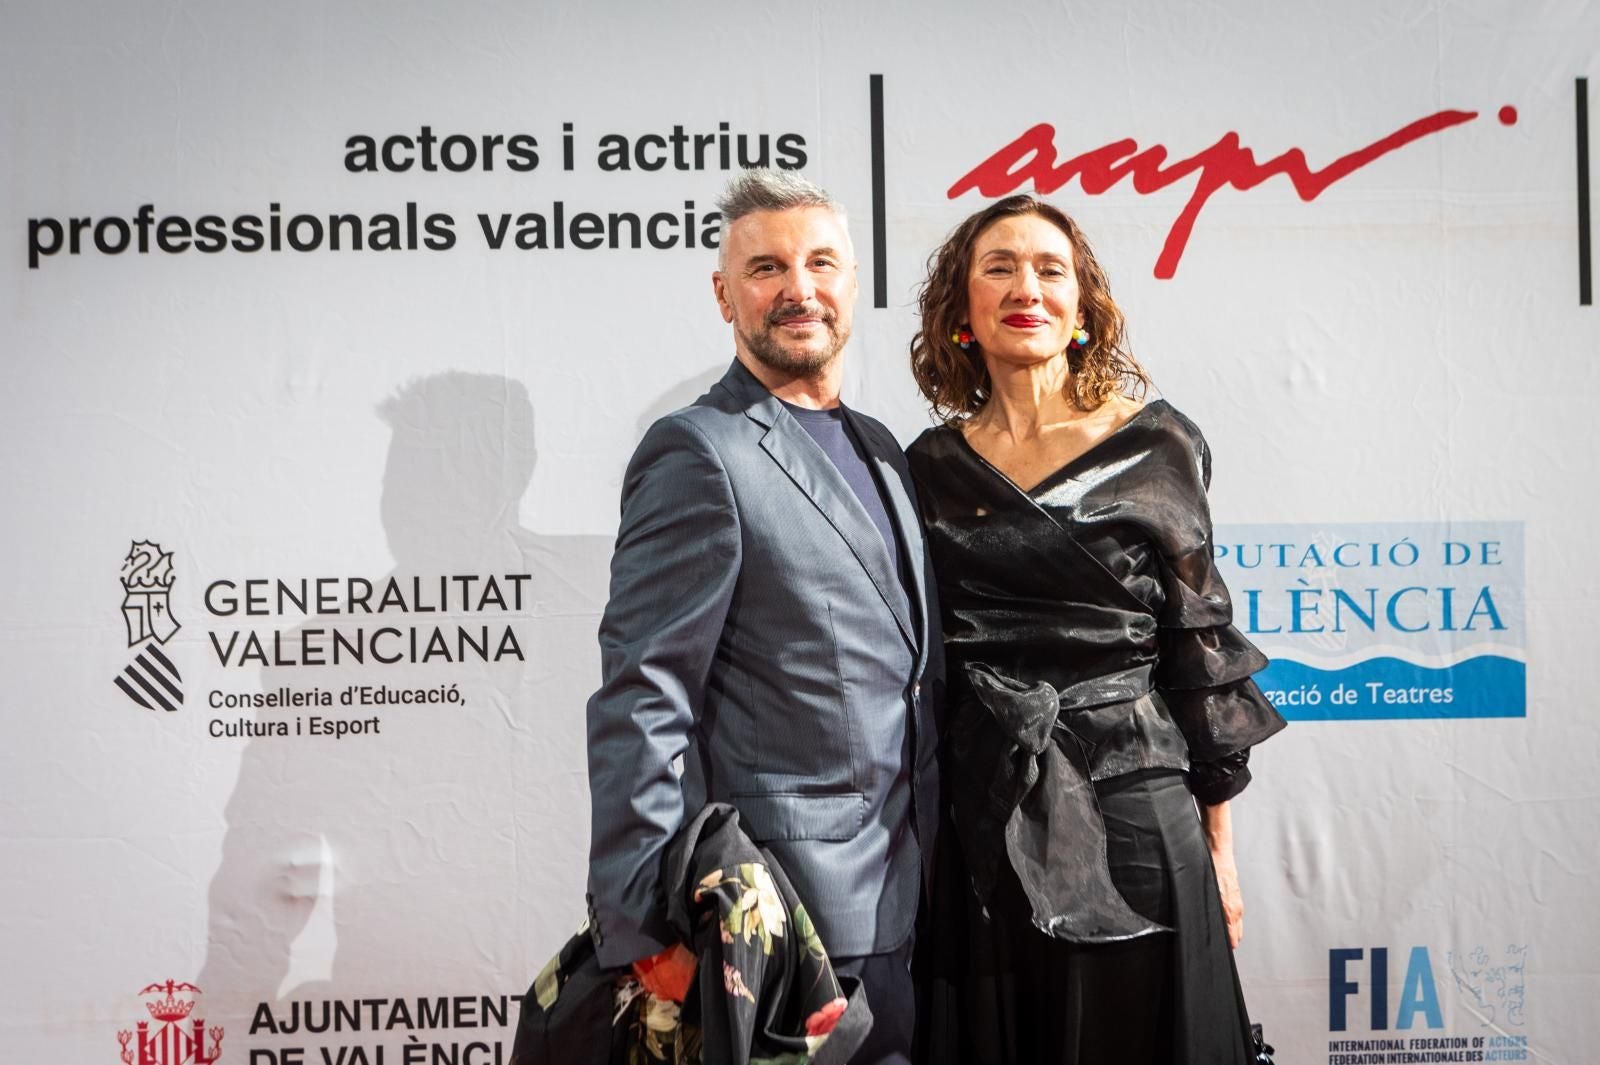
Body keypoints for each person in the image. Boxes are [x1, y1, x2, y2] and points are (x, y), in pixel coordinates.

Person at [904, 194, 1286, 1064]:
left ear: (1082, 307)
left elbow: (1202, 651)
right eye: (997, 267)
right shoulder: (926, 468)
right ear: (961, 311)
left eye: (1050, 269)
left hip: (1137, 804)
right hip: (987, 815)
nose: (1024, 286)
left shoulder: (1157, 445)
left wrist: (1222, 854)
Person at [584, 168, 942, 1065]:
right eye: (767, 268)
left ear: (855, 283)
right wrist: (643, 928)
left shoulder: (886, 450)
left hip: (914, 916)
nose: (799, 288)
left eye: (822, 262)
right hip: (783, 926)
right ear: (723, 293)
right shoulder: (697, 452)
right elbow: (643, 694)